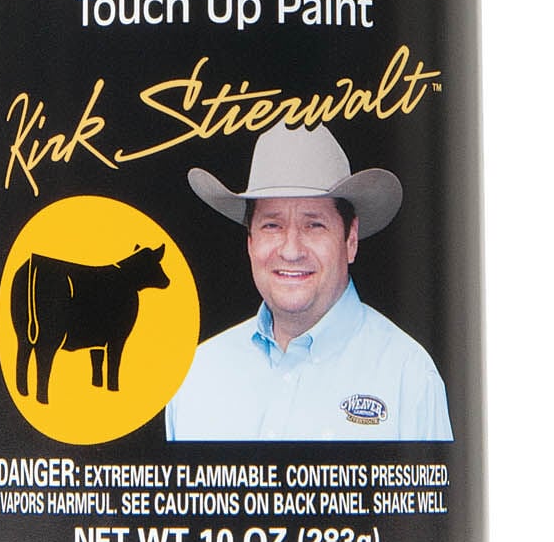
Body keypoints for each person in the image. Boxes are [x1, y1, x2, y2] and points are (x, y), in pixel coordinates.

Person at [166, 122, 452, 441]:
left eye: (314, 225)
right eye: (272, 225)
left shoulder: (409, 377)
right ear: (250, 241)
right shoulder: (196, 376)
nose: (291, 251)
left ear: (350, 239)